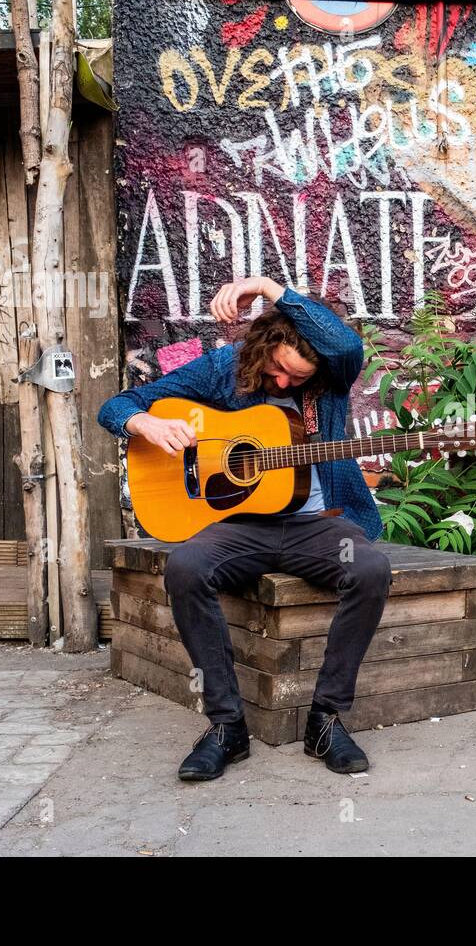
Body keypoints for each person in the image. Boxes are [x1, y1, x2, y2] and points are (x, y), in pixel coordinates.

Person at [98, 277, 392, 781]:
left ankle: (325, 720)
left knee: (369, 568)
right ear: (262, 345)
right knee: (186, 568)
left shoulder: (331, 376)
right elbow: (117, 405)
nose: (283, 383)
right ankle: (227, 727)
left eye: (295, 379)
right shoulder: (223, 369)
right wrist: (145, 424)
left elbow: (344, 342)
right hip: (237, 526)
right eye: (278, 368)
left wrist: (264, 286)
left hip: (318, 525)